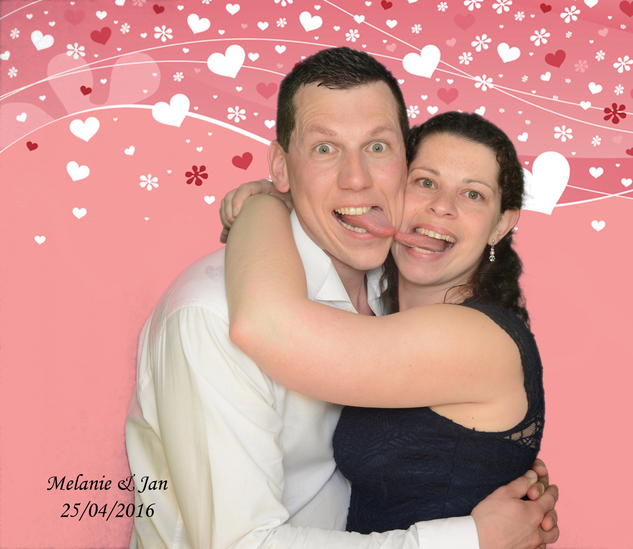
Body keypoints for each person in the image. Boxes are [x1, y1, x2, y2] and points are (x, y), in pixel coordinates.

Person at [125, 47, 558, 549]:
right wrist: (468, 538)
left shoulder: (400, 298)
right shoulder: (208, 314)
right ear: (283, 165)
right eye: (325, 148)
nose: (357, 178)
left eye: (377, 147)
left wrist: (267, 203)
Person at [223, 110, 546, 540]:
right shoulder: (378, 310)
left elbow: (265, 326)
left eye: (473, 195)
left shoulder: (477, 339)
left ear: (500, 225)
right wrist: (296, 201)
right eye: (425, 182)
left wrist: (265, 206)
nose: (442, 206)